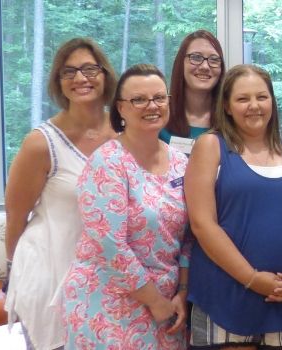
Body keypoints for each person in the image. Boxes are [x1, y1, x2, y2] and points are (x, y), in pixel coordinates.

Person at [185, 64, 282, 349]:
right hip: (227, 296)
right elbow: (202, 223)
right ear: (227, 106)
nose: (254, 106)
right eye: (242, 99)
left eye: (261, 97)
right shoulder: (210, 146)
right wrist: (252, 279)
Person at [61, 64, 189, 349]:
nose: (152, 106)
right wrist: (154, 301)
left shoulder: (181, 163)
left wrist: (182, 290)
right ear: (120, 108)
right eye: (139, 99)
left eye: (159, 98)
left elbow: (189, 236)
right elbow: (111, 245)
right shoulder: (107, 162)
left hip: (168, 305)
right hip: (109, 303)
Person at [3, 37, 116, 350]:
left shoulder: (125, 133)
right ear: (59, 82)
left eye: (90, 69)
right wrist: (11, 272)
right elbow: (15, 217)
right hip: (48, 275)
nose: (80, 78)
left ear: (105, 75)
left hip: (104, 279)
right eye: (69, 72)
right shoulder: (41, 143)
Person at [162, 29, 225, 152]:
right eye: (196, 57)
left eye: (214, 59)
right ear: (181, 63)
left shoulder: (232, 118)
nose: (205, 66)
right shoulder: (160, 115)